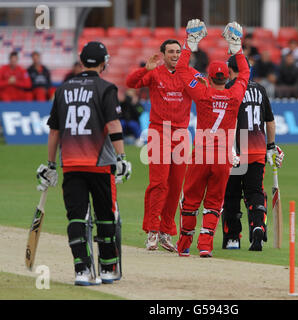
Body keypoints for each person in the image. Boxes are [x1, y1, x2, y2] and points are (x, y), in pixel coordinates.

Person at [36, 41, 131, 286]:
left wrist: (50, 164)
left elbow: (54, 131)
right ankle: (108, 268)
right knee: (105, 217)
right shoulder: (106, 88)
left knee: (76, 217)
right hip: (101, 164)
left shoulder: (63, 89)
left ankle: (82, 270)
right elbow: (113, 125)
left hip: (71, 164)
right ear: (104, 63)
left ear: (81, 61)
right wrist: (121, 158)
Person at [175, 19, 249, 258]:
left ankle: (184, 244)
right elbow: (246, 73)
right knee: (214, 202)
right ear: (226, 78)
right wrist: (236, 48)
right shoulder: (235, 95)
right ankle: (205, 245)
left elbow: (183, 71)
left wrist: (190, 44)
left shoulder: (202, 93)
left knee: (191, 200)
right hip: (222, 158)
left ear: (209, 76)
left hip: (201, 154)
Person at [126, 39, 200, 252]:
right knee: (159, 183)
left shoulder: (189, 74)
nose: (175, 55)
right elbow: (131, 82)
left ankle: (166, 232)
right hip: (159, 132)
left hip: (181, 135)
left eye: (178, 51)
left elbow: (205, 91)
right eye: (170, 52)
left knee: (176, 186)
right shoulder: (155, 73)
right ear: (163, 54)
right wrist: (144, 70)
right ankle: (152, 230)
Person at [222, 54, 284, 251]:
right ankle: (257, 226)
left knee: (231, 194)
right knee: (255, 192)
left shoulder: (230, 88)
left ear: (231, 70)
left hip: (235, 150)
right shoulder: (260, 89)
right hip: (257, 149)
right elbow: (270, 122)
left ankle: (233, 238)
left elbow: (227, 122)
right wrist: (271, 146)